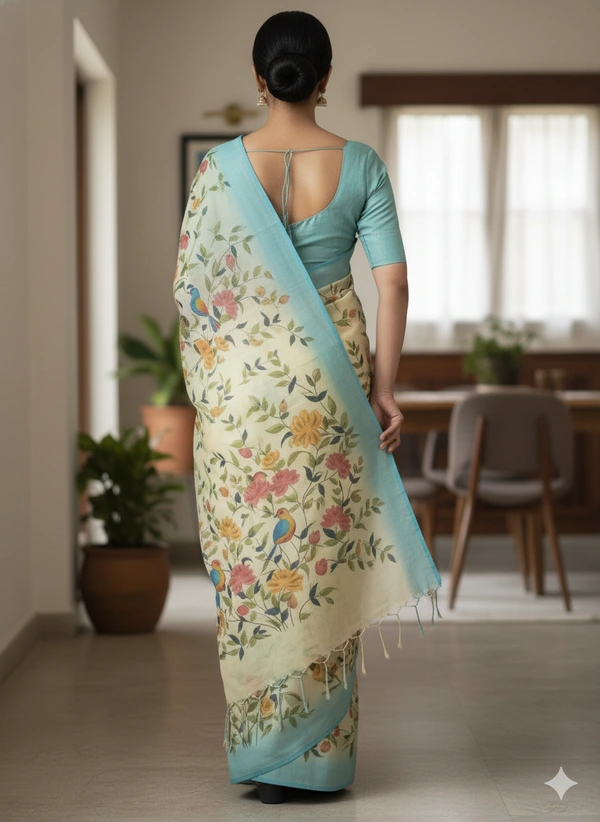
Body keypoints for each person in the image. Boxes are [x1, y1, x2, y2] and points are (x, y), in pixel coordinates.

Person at [172, 10, 442, 805]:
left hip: (246, 403)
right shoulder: (360, 165)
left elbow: (196, 296)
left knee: (256, 570)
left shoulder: (218, 171)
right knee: (324, 559)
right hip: (332, 392)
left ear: (260, 80)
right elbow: (393, 283)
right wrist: (384, 389)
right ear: (323, 79)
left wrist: (224, 386)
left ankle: (265, 760)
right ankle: (318, 762)